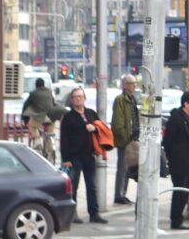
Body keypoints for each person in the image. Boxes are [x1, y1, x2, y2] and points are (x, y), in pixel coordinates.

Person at [58, 87, 108, 225]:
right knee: (73, 186)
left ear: (84, 98)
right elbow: (64, 139)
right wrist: (65, 159)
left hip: (89, 155)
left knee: (91, 185)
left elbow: (101, 128)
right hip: (74, 157)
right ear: (72, 100)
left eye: (80, 96)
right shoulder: (68, 117)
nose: (78, 98)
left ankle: (94, 213)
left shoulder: (91, 113)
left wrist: (94, 128)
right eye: (75, 97)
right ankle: (72, 214)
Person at [161, 91, 189, 231]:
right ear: (186, 103)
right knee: (179, 191)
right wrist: (174, 156)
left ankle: (179, 218)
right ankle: (176, 220)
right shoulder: (176, 118)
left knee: (185, 191)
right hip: (179, 161)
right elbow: (167, 141)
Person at [109, 74, 140, 205]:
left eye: (135, 83)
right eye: (133, 83)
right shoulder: (120, 100)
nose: (135, 86)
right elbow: (118, 122)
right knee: (122, 168)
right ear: (125, 85)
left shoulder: (132, 99)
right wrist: (125, 137)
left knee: (128, 168)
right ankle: (119, 194)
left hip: (133, 139)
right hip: (125, 140)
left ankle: (123, 193)